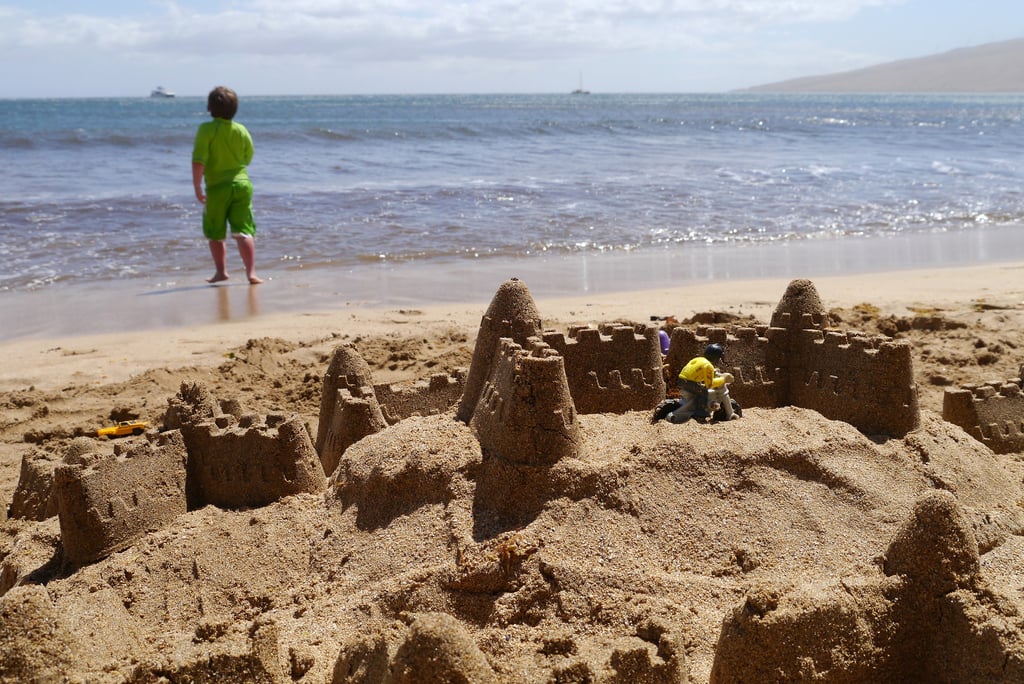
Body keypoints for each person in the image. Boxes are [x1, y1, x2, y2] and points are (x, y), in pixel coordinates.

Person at [192, 86, 262, 284]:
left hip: (217, 187)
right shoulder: (241, 130)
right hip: (242, 185)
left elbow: (199, 160)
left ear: (209, 107)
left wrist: (197, 186)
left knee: (215, 232)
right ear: (235, 109)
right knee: (244, 230)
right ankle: (251, 273)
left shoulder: (206, 130)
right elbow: (248, 156)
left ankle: (221, 271)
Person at [665, 343, 738, 423]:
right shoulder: (708, 366)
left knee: (700, 389)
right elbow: (709, 384)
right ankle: (700, 415)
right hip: (690, 383)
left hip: (682, 380)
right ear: (716, 358)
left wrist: (714, 372)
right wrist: (723, 379)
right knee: (704, 393)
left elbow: (700, 370)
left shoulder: (700, 359)